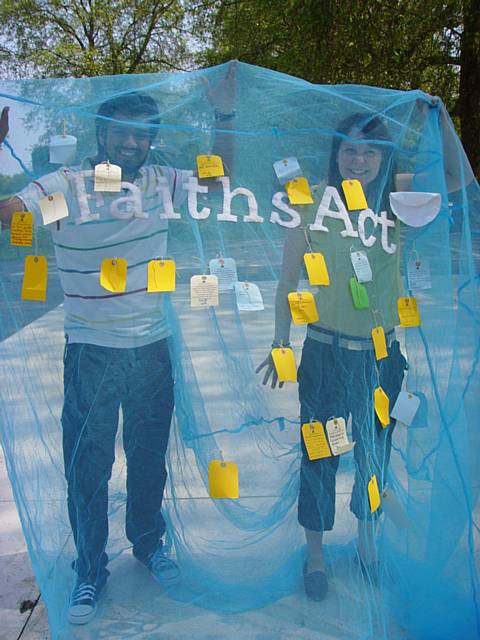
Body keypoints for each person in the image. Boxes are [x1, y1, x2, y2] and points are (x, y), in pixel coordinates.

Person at [0, 70, 235, 625]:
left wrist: (224, 116)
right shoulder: (64, 184)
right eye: (122, 134)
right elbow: (10, 213)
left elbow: (218, 182)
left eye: (143, 134)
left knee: (149, 455)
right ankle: (88, 568)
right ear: (102, 134)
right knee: (89, 463)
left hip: (152, 346)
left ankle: (149, 545)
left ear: (152, 138)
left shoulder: (159, 180)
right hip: (92, 350)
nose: (133, 144)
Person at [257, 113, 408, 601]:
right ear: (335, 155)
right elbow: (287, 283)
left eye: (369, 152)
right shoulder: (311, 205)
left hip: (381, 358)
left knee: (373, 456)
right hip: (324, 352)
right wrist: (280, 342)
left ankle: (367, 545)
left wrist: (431, 116)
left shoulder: (398, 202)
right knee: (319, 453)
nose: (358, 160)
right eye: (349, 150)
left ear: (384, 158)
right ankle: (316, 554)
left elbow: (456, 180)